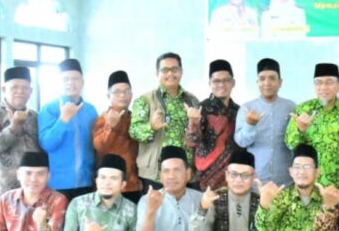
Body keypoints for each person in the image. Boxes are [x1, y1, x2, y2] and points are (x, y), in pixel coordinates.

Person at [285, 63, 339, 189]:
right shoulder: (303, 110)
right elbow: (291, 144)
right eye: (318, 83)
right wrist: (300, 130)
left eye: (329, 82)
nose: (323, 87)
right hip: (311, 185)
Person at [130, 52, 199, 190]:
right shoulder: (145, 100)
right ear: (157, 73)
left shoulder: (192, 100)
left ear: (181, 72)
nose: (170, 73)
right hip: (155, 173)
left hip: (185, 172)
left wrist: (195, 124)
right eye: (165, 70)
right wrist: (151, 127)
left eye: (174, 69)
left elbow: (199, 138)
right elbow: (134, 131)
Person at [0, 67, 40, 230]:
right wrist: (14, 126)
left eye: (25, 88)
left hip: (29, 190)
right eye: (14, 87)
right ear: (4, 89)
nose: (20, 92)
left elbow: (38, 148)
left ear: (30, 91)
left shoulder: (34, 116)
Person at [38, 58, 98, 200]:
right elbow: (47, 144)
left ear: (82, 82)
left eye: (75, 79)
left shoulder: (90, 110)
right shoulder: (49, 109)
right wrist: (63, 119)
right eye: (66, 79)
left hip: (86, 182)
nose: (71, 82)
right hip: (58, 184)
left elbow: (95, 145)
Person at [235, 58, 295, 188]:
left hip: (286, 181)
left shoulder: (291, 107)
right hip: (256, 181)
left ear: (280, 82)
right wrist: (250, 125)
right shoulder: (247, 108)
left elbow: (295, 142)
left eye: (272, 78)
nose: (267, 83)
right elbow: (241, 142)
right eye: (262, 79)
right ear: (257, 82)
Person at [186, 59, 241, 191]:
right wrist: (193, 123)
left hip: (233, 178)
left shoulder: (239, 110)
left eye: (226, 80)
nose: (221, 85)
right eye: (216, 81)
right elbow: (191, 143)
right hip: (206, 178)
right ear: (210, 83)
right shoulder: (201, 109)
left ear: (233, 83)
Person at [93, 70, 141, 203]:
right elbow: (99, 147)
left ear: (131, 95)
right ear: (108, 95)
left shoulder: (135, 119)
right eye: (117, 92)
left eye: (126, 91)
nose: (122, 95)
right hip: (110, 186)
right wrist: (111, 126)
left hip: (133, 184)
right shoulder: (102, 119)